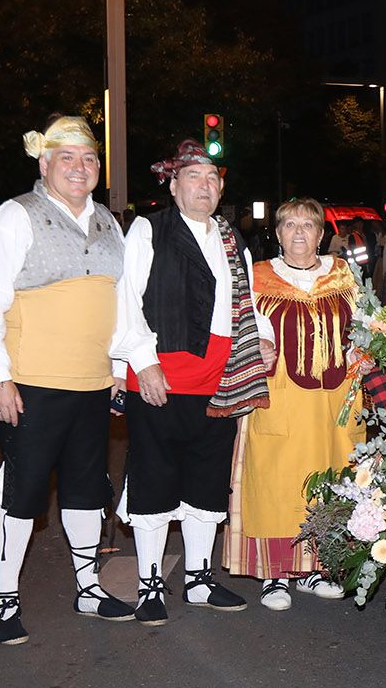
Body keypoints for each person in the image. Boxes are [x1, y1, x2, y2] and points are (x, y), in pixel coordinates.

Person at [0, 116, 130, 645]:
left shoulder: (108, 222)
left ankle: (88, 587)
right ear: (44, 163)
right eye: (67, 158)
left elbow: (120, 308)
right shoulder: (15, 217)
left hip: (92, 384)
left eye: (89, 159)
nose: (80, 169)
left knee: (84, 491)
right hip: (31, 383)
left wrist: (120, 371)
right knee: (23, 495)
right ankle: (5, 600)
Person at [111, 140, 268, 625]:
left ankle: (199, 579)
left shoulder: (231, 238)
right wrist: (142, 361)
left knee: (206, 479)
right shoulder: (148, 229)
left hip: (220, 377)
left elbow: (245, 302)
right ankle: (150, 584)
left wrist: (260, 339)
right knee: (155, 478)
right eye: (193, 178)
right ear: (174, 186)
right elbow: (125, 299)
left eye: (212, 179)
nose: (205, 186)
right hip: (161, 374)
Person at [223, 196, 367, 608]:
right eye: (290, 225)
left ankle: (322, 566)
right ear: (278, 233)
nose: (300, 232)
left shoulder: (343, 274)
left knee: (333, 475)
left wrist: (367, 347)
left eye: (309, 225)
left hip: (335, 397)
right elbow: (240, 325)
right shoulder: (259, 277)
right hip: (280, 394)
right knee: (277, 479)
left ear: (322, 234)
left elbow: (364, 324)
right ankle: (275, 575)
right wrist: (257, 344)